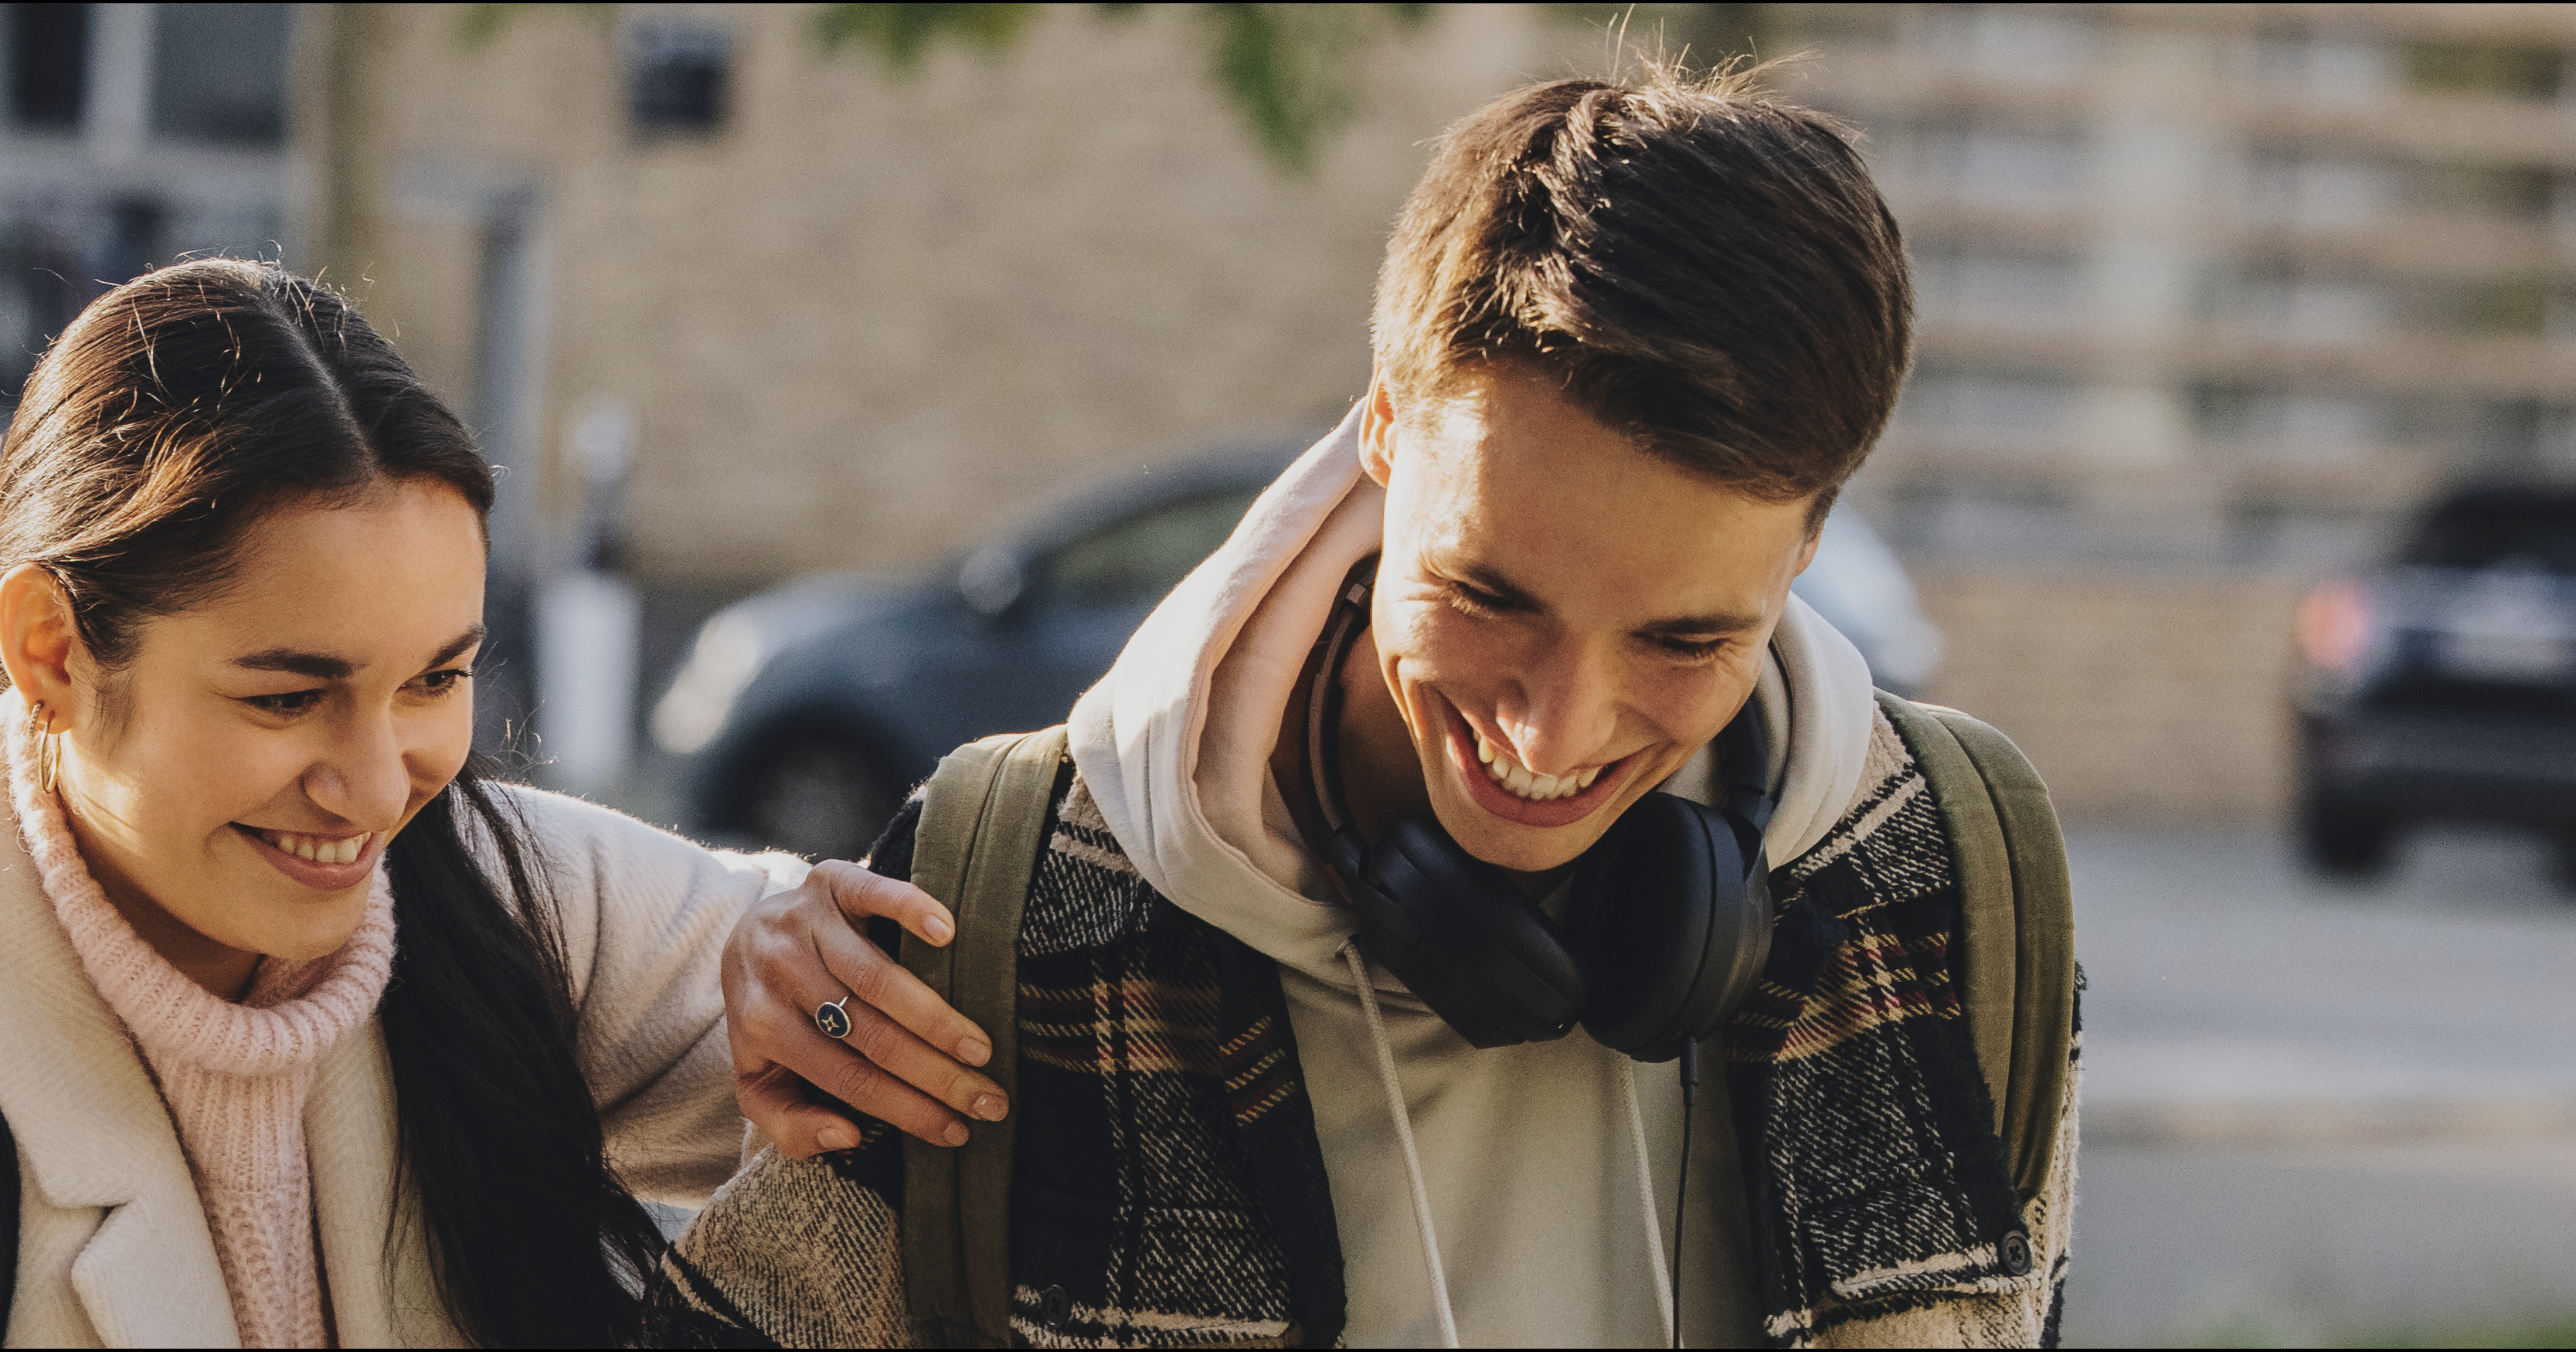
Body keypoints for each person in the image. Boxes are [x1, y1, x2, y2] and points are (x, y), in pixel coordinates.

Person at [693, 69, 2077, 1347]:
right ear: (1381, 434)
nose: (1555, 732)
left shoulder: (1960, 881)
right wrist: (718, 946)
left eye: (1686, 637)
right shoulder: (1002, 907)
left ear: (1811, 544)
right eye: (1491, 595)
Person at [0, 258, 966, 1347]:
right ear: (53, 653)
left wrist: (822, 978)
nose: (378, 790)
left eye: (436, 679)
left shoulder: (489, 889)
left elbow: (987, 1024)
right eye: (286, 696)